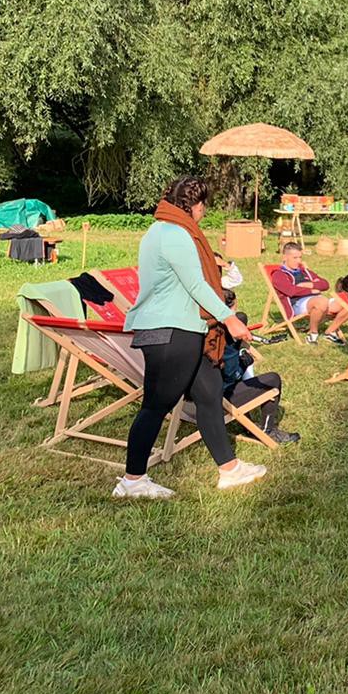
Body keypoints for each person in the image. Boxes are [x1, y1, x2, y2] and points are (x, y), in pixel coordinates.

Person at [115, 175, 264, 499]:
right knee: (155, 406)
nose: (203, 213)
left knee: (209, 393)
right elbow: (196, 285)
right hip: (171, 331)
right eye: (203, 207)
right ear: (195, 206)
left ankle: (230, 470)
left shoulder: (160, 230)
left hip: (186, 328)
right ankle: (132, 481)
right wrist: (230, 320)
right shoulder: (175, 235)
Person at [216, 286, 298, 445]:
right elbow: (230, 375)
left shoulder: (198, 332)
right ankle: (268, 430)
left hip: (188, 403)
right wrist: (243, 363)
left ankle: (246, 423)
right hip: (217, 401)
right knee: (273, 379)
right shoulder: (226, 342)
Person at [268, 241, 348, 343]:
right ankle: (312, 333)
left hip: (318, 301)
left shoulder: (304, 271)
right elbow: (291, 291)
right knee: (321, 302)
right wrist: (312, 289)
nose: (298, 261)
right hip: (297, 304)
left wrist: (308, 285)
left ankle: (330, 331)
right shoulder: (279, 274)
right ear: (284, 257)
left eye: (300, 257)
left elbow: (325, 284)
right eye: (295, 258)